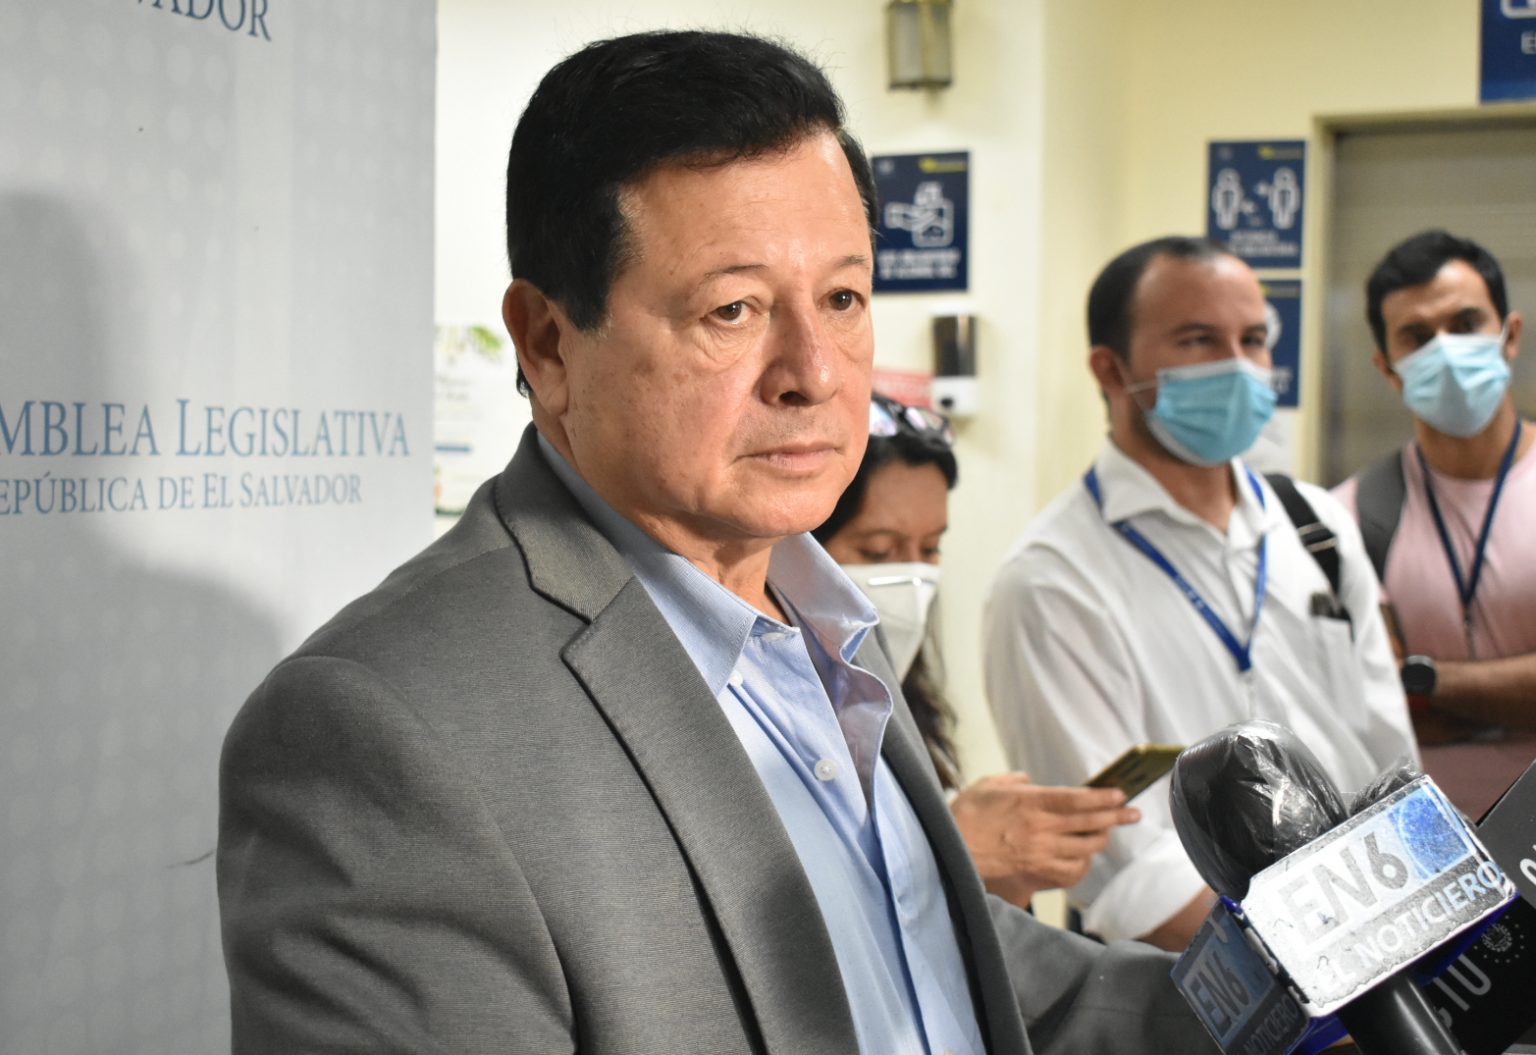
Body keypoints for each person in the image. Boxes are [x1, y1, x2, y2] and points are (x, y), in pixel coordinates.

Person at [217, 31, 1215, 1055]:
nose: (814, 373)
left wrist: (1275, 998)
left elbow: (927, 970)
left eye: (843, 299)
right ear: (549, 343)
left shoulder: (826, 616)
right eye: (732, 310)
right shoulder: (383, 730)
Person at [983, 235, 1418, 951]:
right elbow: (1128, 870)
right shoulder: (1052, 582)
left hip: (1386, 948)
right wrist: (1329, 964)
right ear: (1110, 369)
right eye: (1198, 341)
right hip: (1199, 976)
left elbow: (1389, 763)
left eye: (1254, 340)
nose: (1238, 366)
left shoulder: (1316, 528)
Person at [814, 393, 1139, 909]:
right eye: (878, 551)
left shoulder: (907, 708)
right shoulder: (767, 710)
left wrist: (1011, 868)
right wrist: (954, 847)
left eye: (930, 549)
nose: (913, 577)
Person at [1333, 229, 1535, 819]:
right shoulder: (1348, 515)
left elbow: (1403, 695)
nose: (1445, 350)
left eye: (1466, 324)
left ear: (1510, 336)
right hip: (1424, 850)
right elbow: (1368, 709)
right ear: (1388, 368)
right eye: (1417, 337)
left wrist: (1424, 679)